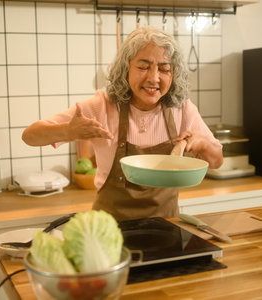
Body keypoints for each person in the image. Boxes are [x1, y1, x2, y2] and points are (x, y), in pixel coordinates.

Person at [22, 26, 223, 221]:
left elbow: (217, 161)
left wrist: (203, 145)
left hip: (166, 228)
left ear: (173, 74)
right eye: (143, 67)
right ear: (125, 68)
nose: (154, 78)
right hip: (110, 231)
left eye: (164, 69)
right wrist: (67, 130)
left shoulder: (182, 109)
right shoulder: (102, 107)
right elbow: (30, 136)